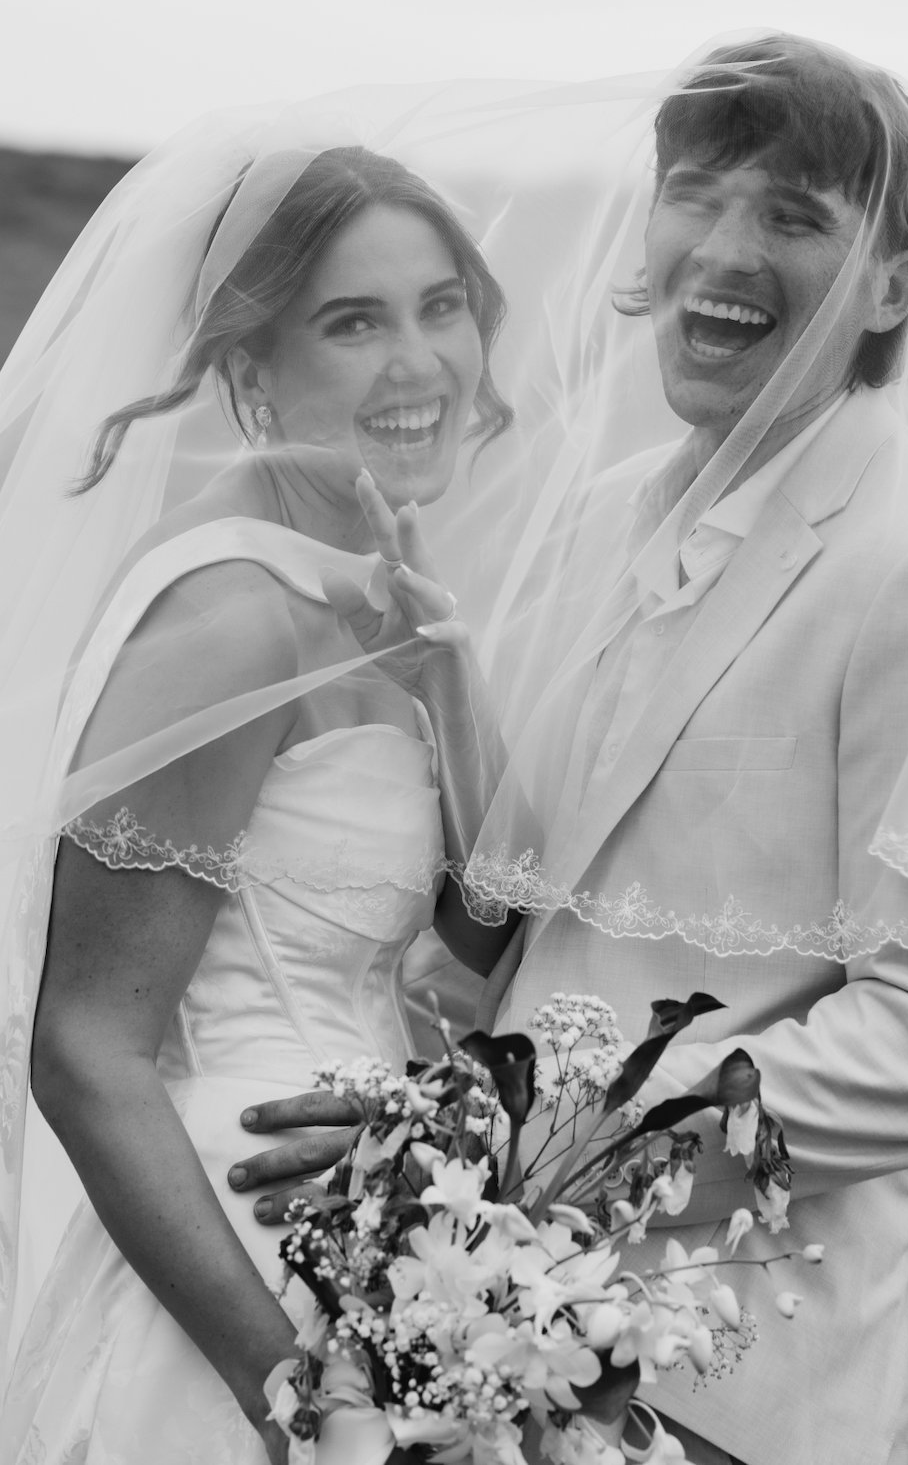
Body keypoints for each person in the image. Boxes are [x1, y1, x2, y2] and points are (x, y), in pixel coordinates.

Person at [236, 39, 908, 1465]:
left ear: (896, 286)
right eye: (698, 193)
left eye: (795, 216)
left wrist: (530, 1157)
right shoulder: (594, 515)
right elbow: (523, 904)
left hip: (752, 1377)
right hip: (476, 1333)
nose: (724, 246)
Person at [0, 141, 521, 1463]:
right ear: (249, 371)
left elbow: (485, 930)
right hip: (241, 1269)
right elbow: (85, 1045)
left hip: (385, 1243)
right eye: (355, 321)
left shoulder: (373, 591)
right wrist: (287, 1381)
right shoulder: (234, 623)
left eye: (440, 305)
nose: (419, 363)